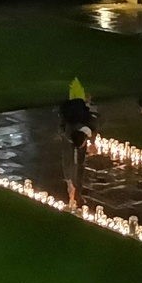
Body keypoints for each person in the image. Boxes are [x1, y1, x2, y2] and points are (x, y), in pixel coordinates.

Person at [59, 80, 98, 211]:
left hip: (81, 117)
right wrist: (69, 183)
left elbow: (94, 130)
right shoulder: (67, 134)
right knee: (70, 160)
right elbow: (67, 160)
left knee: (80, 162)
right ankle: (73, 188)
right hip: (70, 120)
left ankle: (78, 190)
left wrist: (92, 144)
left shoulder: (91, 125)